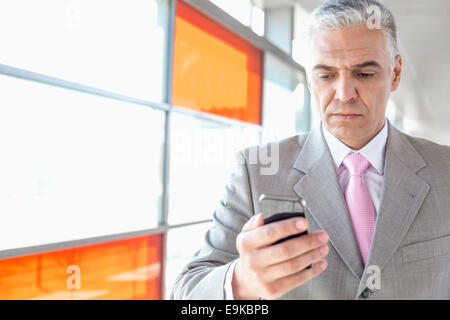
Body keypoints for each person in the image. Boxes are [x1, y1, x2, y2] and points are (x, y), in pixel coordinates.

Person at [171, 0, 450, 300]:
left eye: (364, 74)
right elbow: (186, 296)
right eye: (326, 75)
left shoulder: (444, 170)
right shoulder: (256, 172)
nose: (344, 94)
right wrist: (240, 282)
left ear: (395, 73)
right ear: (308, 79)